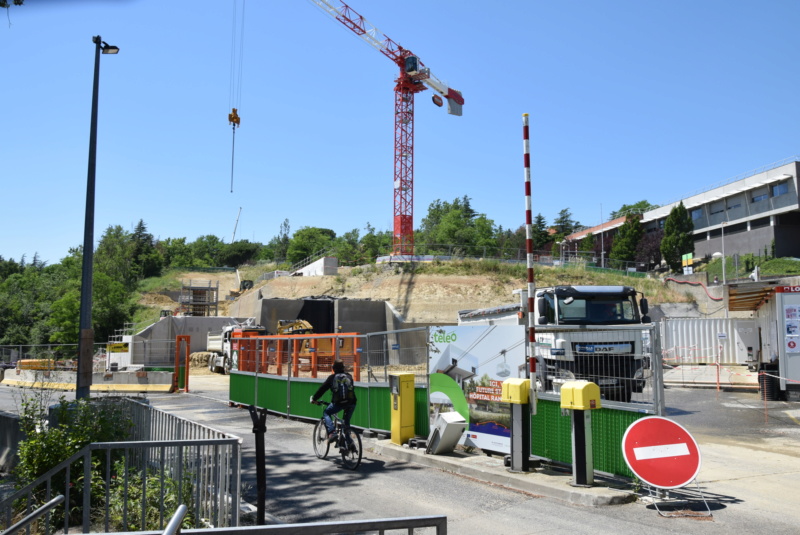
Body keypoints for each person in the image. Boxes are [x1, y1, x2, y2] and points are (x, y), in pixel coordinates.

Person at [310, 360, 358, 449]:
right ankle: (349, 444)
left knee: (326, 413)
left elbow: (322, 389)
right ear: (343, 368)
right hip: (351, 403)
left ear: (333, 369)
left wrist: (314, 399)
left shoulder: (332, 378)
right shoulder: (349, 376)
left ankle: (332, 433)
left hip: (338, 403)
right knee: (346, 424)